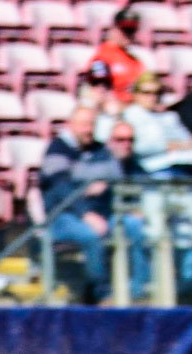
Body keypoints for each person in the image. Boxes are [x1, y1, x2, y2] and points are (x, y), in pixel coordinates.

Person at [42, 105, 145, 302]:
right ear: (70, 125)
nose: (88, 129)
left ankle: (138, 291)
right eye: (83, 124)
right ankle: (101, 294)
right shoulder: (57, 150)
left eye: (91, 124)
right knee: (91, 235)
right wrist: (85, 211)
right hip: (65, 216)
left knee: (135, 227)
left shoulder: (100, 150)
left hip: (103, 213)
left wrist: (82, 182)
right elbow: (61, 190)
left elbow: (116, 178)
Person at [88, 8, 146, 105]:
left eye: (132, 30)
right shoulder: (102, 56)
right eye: (124, 29)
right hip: (115, 110)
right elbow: (98, 93)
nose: (128, 35)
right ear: (113, 29)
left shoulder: (135, 61)